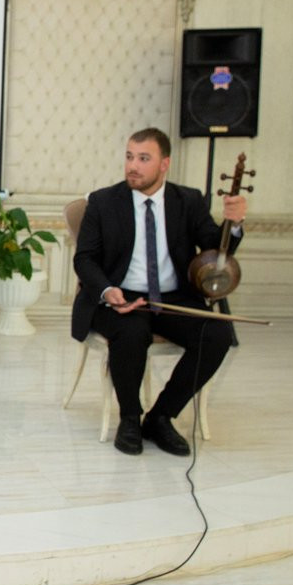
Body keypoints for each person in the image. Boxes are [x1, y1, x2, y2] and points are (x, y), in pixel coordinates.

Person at [72, 127, 245, 456]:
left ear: (164, 164)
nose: (132, 166)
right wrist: (107, 290)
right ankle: (130, 418)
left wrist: (233, 224)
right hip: (120, 297)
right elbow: (84, 259)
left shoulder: (188, 200)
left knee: (217, 334)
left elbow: (215, 250)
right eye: (129, 157)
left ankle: (161, 417)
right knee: (131, 332)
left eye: (143, 159)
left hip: (173, 299)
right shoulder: (103, 201)